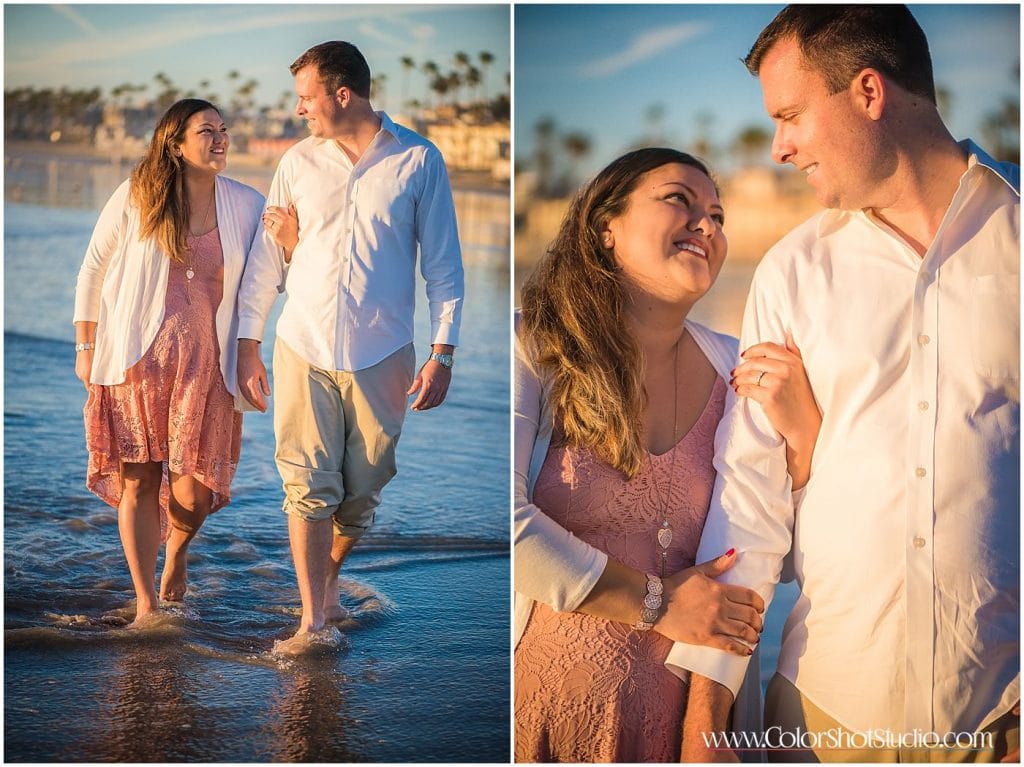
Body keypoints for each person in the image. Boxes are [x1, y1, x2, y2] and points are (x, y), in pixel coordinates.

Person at [670, 6, 1020, 763]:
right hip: (828, 719)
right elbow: (750, 509)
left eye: (791, 115)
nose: (780, 146)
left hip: (1006, 716)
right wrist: (708, 714)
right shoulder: (793, 273)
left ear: (869, 92)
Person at [514, 147, 822, 762]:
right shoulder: (533, 348)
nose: (705, 224)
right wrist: (657, 603)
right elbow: (502, 522)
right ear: (606, 228)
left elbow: (775, 560)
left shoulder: (741, 369)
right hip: (548, 711)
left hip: (695, 722)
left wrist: (806, 440)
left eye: (717, 214)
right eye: (678, 199)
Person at [236, 41, 464, 654]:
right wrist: (247, 343)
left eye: (306, 98)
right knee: (307, 486)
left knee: (362, 491)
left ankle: (329, 574)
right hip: (302, 343)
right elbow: (267, 261)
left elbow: (443, 265)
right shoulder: (297, 162)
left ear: (343, 95)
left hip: (383, 352)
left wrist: (443, 353)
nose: (299, 110)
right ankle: (312, 618)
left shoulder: (419, 160)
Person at [73, 99, 265, 626]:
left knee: (195, 491)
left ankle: (177, 552)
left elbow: (270, 274)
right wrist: (85, 346)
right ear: (175, 144)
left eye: (223, 129)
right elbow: (93, 268)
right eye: (207, 130)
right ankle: (145, 600)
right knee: (139, 480)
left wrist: (289, 249)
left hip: (206, 370)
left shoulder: (246, 204)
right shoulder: (138, 197)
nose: (220, 138)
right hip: (137, 362)